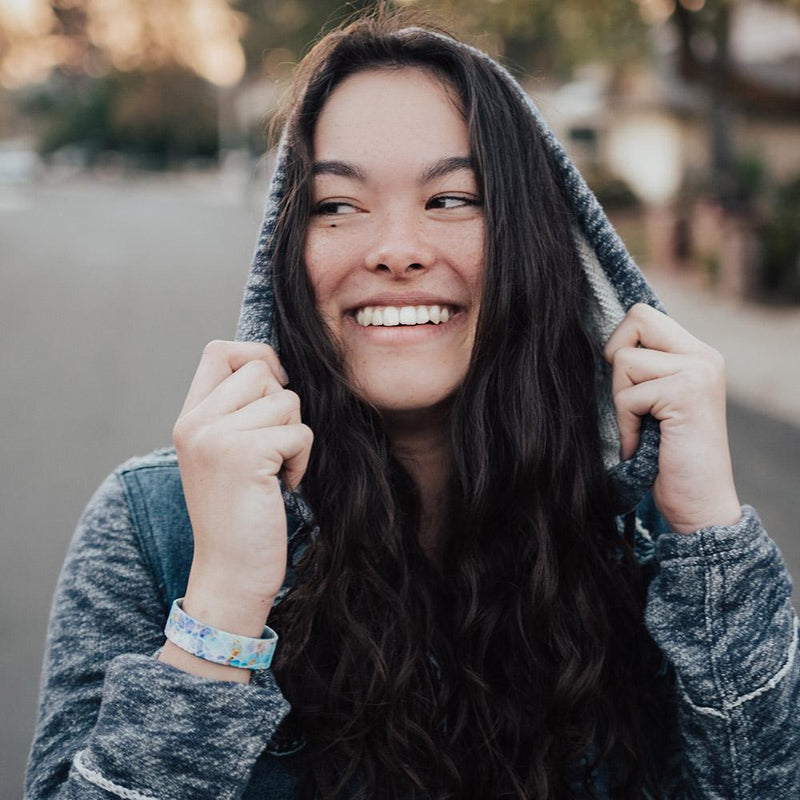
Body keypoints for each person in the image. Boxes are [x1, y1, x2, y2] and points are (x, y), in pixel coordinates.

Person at [25, 9, 800, 800]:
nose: (396, 249)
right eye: (337, 205)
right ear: (285, 252)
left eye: (452, 198)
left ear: (535, 235)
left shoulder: (655, 528)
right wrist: (222, 606)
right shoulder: (154, 527)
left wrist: (710, 537)